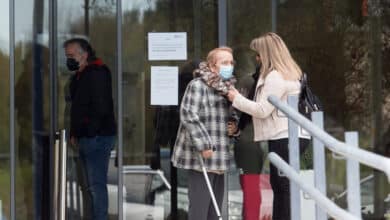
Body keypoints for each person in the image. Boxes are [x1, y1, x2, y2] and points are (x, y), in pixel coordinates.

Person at [227, 32, 310, 220]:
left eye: (258, 54)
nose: (257, 59)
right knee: (284, 187)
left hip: (283, 137)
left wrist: (236, 98)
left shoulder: (275, 76)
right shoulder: (292, 73)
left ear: (267, 54)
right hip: (295, 135)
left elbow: (263, 109)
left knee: (282, 189)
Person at [171, 47, 238, 220]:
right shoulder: (197, 86)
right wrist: (204, 145)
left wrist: (234, 127)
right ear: (212, 66)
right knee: (199, 210)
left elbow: (232, 116)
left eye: (231, 62)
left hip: (220, 157)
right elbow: (188, 115)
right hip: (202, 157)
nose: (229, 66)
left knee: (214, 212)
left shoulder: (228, 89)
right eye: (224, 62)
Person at [64, 38, 116, 220]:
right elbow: (77, 108)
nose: (68, 59)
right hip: (86, 137)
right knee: (89, 187)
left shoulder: (97, 73)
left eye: (71, 55)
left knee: (95, 186)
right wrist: (74, 133)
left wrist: (88, 131)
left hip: (97, 138)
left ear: (84, 55)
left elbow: (101, 108)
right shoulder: (80, 76)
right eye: (67, 56)